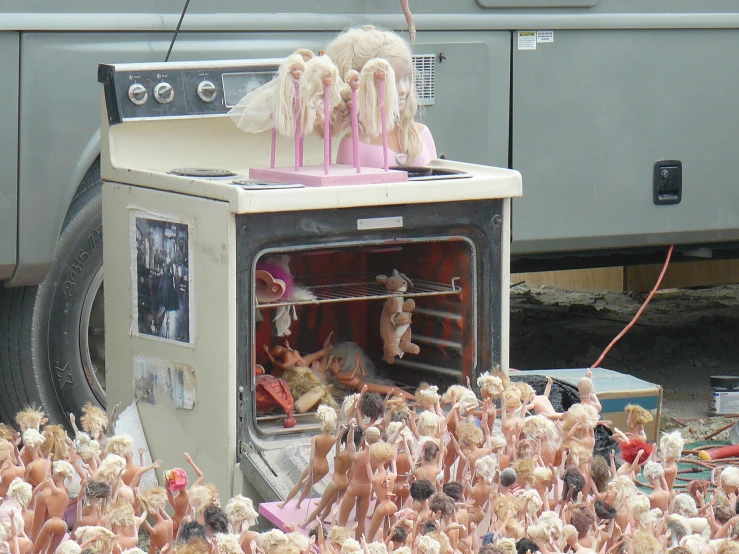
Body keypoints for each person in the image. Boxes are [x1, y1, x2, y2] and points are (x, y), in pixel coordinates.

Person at [325, 26, 437, 169]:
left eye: (405, 79)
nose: (403, 90)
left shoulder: (422, 133)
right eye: (392, 80)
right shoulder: (353, 143)